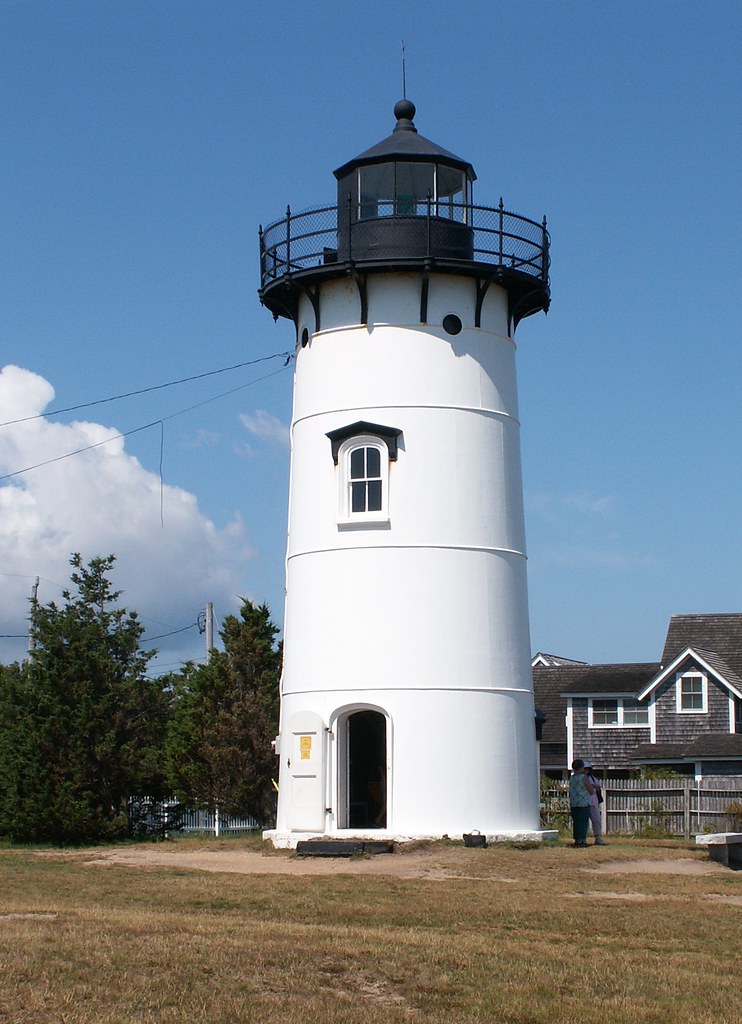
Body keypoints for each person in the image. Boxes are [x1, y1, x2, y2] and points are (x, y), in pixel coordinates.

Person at [568, 758, 595, 847]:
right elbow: (590, 790)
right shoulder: (584, 777)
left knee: (576, 822)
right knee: (583, 822)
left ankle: (577, 839)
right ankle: (582, 840)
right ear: (581, 767)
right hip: (583, 803)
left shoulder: (572, 778)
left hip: (574, 803)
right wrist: (593, 789)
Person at [583, 762, 605, 845]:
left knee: (597, 820)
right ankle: (583, 838)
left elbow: (598, 788)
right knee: (584, 822)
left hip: (593, 802)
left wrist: (594, 786)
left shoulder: (592, 778)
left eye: (587, 769)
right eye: (584, 768)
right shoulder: (580, 778)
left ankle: (598, 837)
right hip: (583, 802)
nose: (586, 770)